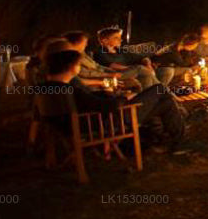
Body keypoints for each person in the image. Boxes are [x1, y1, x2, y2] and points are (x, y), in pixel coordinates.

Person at [42, 49, 188, 153]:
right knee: (159, 89)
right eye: (78, 64)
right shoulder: (72, 89)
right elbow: (107, 106)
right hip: (110, 122)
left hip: (90, 122)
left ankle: (169, 138)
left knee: (165, 103)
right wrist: (126, 97)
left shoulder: (45, 88)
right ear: (70, 67)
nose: (79, 68)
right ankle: (178, 140)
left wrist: (107, 95)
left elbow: (91, 103)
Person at [91, 27, 158, 89]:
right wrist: (133, 69)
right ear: (105, 41)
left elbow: (143, 58)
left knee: (165, 71)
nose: (121, 40)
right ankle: (162, 90)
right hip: (115, 74)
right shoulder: (99, 52)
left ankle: (152, 95)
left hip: (131, 72)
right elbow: (112, 66)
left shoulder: (121, 50)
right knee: (140, 68)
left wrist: (148, 65)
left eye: (120, 37)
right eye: (116, 38)